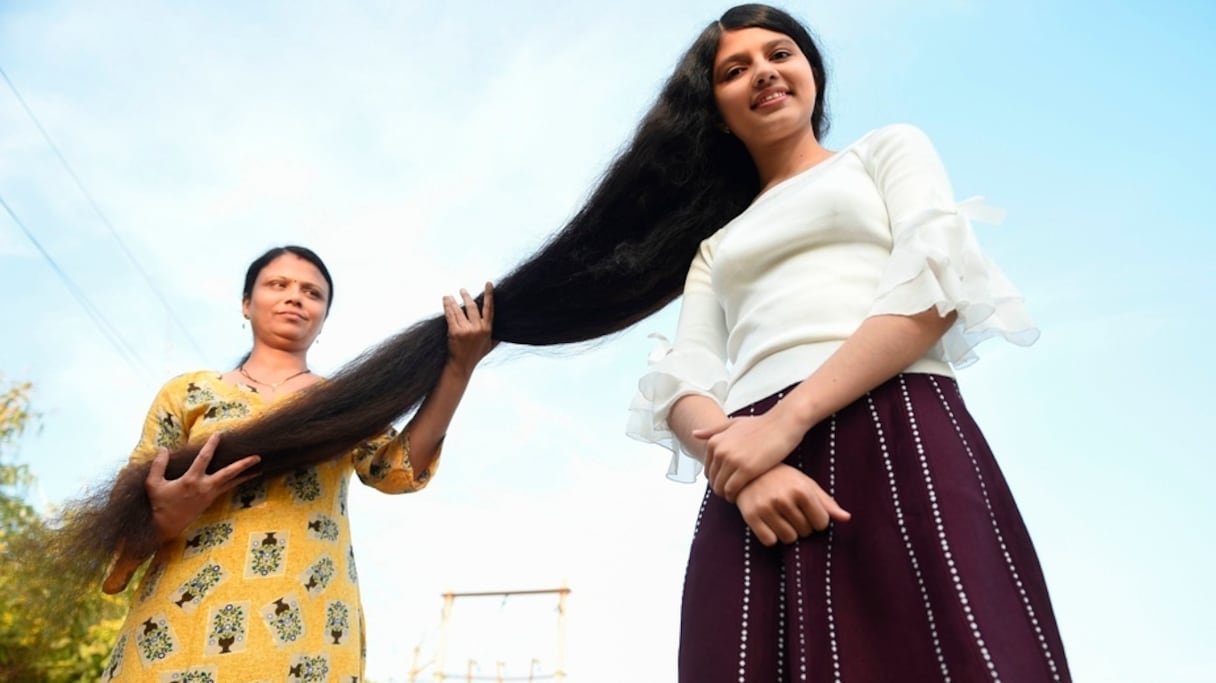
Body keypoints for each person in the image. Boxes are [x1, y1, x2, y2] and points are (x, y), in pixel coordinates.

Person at [621, 5, 1071, 682]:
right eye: (734, 70)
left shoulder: (886, 149)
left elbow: (934, 291)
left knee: (959, 651)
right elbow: (685, 380)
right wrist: (748, 470)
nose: (763, 74)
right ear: (714, 110)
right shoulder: (715, 245)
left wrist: (785, 422)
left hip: (898, 423)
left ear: (811, 71)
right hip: (749, 471)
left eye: (781, 54)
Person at [97, 245, 494, 682]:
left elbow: (395, 471)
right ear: (246, 304)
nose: (295, 297)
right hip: (180, 624)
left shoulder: (346, 402)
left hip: (307, 626)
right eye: (277, 285)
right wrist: (165, 519)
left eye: (312, 292)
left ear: (323, 318)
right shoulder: (189, 393)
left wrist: (459, 368)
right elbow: (126, 509)